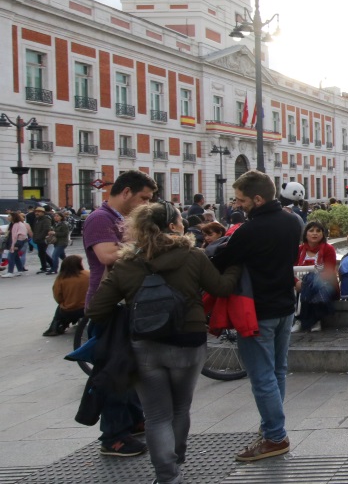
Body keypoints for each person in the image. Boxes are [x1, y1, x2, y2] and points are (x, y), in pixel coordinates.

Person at [88, 201, 241, 484]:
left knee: (157, 415)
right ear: (172, 225)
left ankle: (167, 476)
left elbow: (95, 310)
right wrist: (234, 267)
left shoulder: (127, 262)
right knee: (180, 408)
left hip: (145, 343)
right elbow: (221, 287)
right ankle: (177, 458)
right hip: (188, 340)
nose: (183, 224)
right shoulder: (192, 255)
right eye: (180, 220)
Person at [211, 170, 303, 462]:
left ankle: (275, 436)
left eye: (241, 200)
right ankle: (270, 427)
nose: (238, 205)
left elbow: (221, 261)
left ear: (258, 198)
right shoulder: (294, 222)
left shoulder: (248, 231)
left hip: (256, 310)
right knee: (277, 370)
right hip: (285, 307)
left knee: (261, 376)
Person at [82, 169, 155, 456]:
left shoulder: (120, 219)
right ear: (126, 192)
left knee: (130, 366)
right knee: (116, 370)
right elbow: (107, 255)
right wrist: (144, 242)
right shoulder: (100, 218)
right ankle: (113, 435)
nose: (146, 205)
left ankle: (133, 419)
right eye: (143, 198)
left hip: (125, 303)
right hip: (107, 304)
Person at [292, 222, 339, 333]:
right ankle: (313, 320)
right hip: (300, 283)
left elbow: (328, 271)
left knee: (312, 282)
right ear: (306, 234)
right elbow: (290, 269)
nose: (315, 234)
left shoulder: (328, 249)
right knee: (306, 285)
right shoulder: (298, 250)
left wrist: (309, 282)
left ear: (323, 234)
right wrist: (296, 282)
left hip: (324, 284)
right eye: (311, 230)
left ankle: (302, 319)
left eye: (318, 231)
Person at [42, 255, 89, 336]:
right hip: (87, 308)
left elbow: (58, 298)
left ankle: (55, 327)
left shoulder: (61, 279)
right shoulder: (88, 275)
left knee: (60, 308)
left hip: (68, 310)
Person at [2, 212, 32, 277]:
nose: (8, 217)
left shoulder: (19, 224)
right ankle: (20, 270)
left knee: (11, 257)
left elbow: (22, 235)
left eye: (9, 216)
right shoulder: (12, 224)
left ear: (13, 217)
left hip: (18, 243)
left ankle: (10, 272)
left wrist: (16, 245)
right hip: (13, 243)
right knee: (16, 257)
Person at [47, 210, 73, 274]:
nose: (55, 217)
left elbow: (65, 233)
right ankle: (71, 267)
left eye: (57, 216)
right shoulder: (55, 224)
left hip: (62, 242)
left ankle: (54, 269)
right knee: (62, 256)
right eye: (55, 216)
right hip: (56, 242)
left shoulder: (64, 224)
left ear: (61, 217)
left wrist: (55, 233)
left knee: (54, 255)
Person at [32, 206, 52, 273]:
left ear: (43, 213)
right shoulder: (37, 219)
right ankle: (47, 266)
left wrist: (39, 237)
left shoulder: (46, 219)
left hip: (43, 239)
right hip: (38, 239)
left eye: (38, 212)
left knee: (42, 253)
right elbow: (36, 229)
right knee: (41, 253)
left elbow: (46, 229)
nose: (36, 213)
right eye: (36, 212)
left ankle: (46, 266)